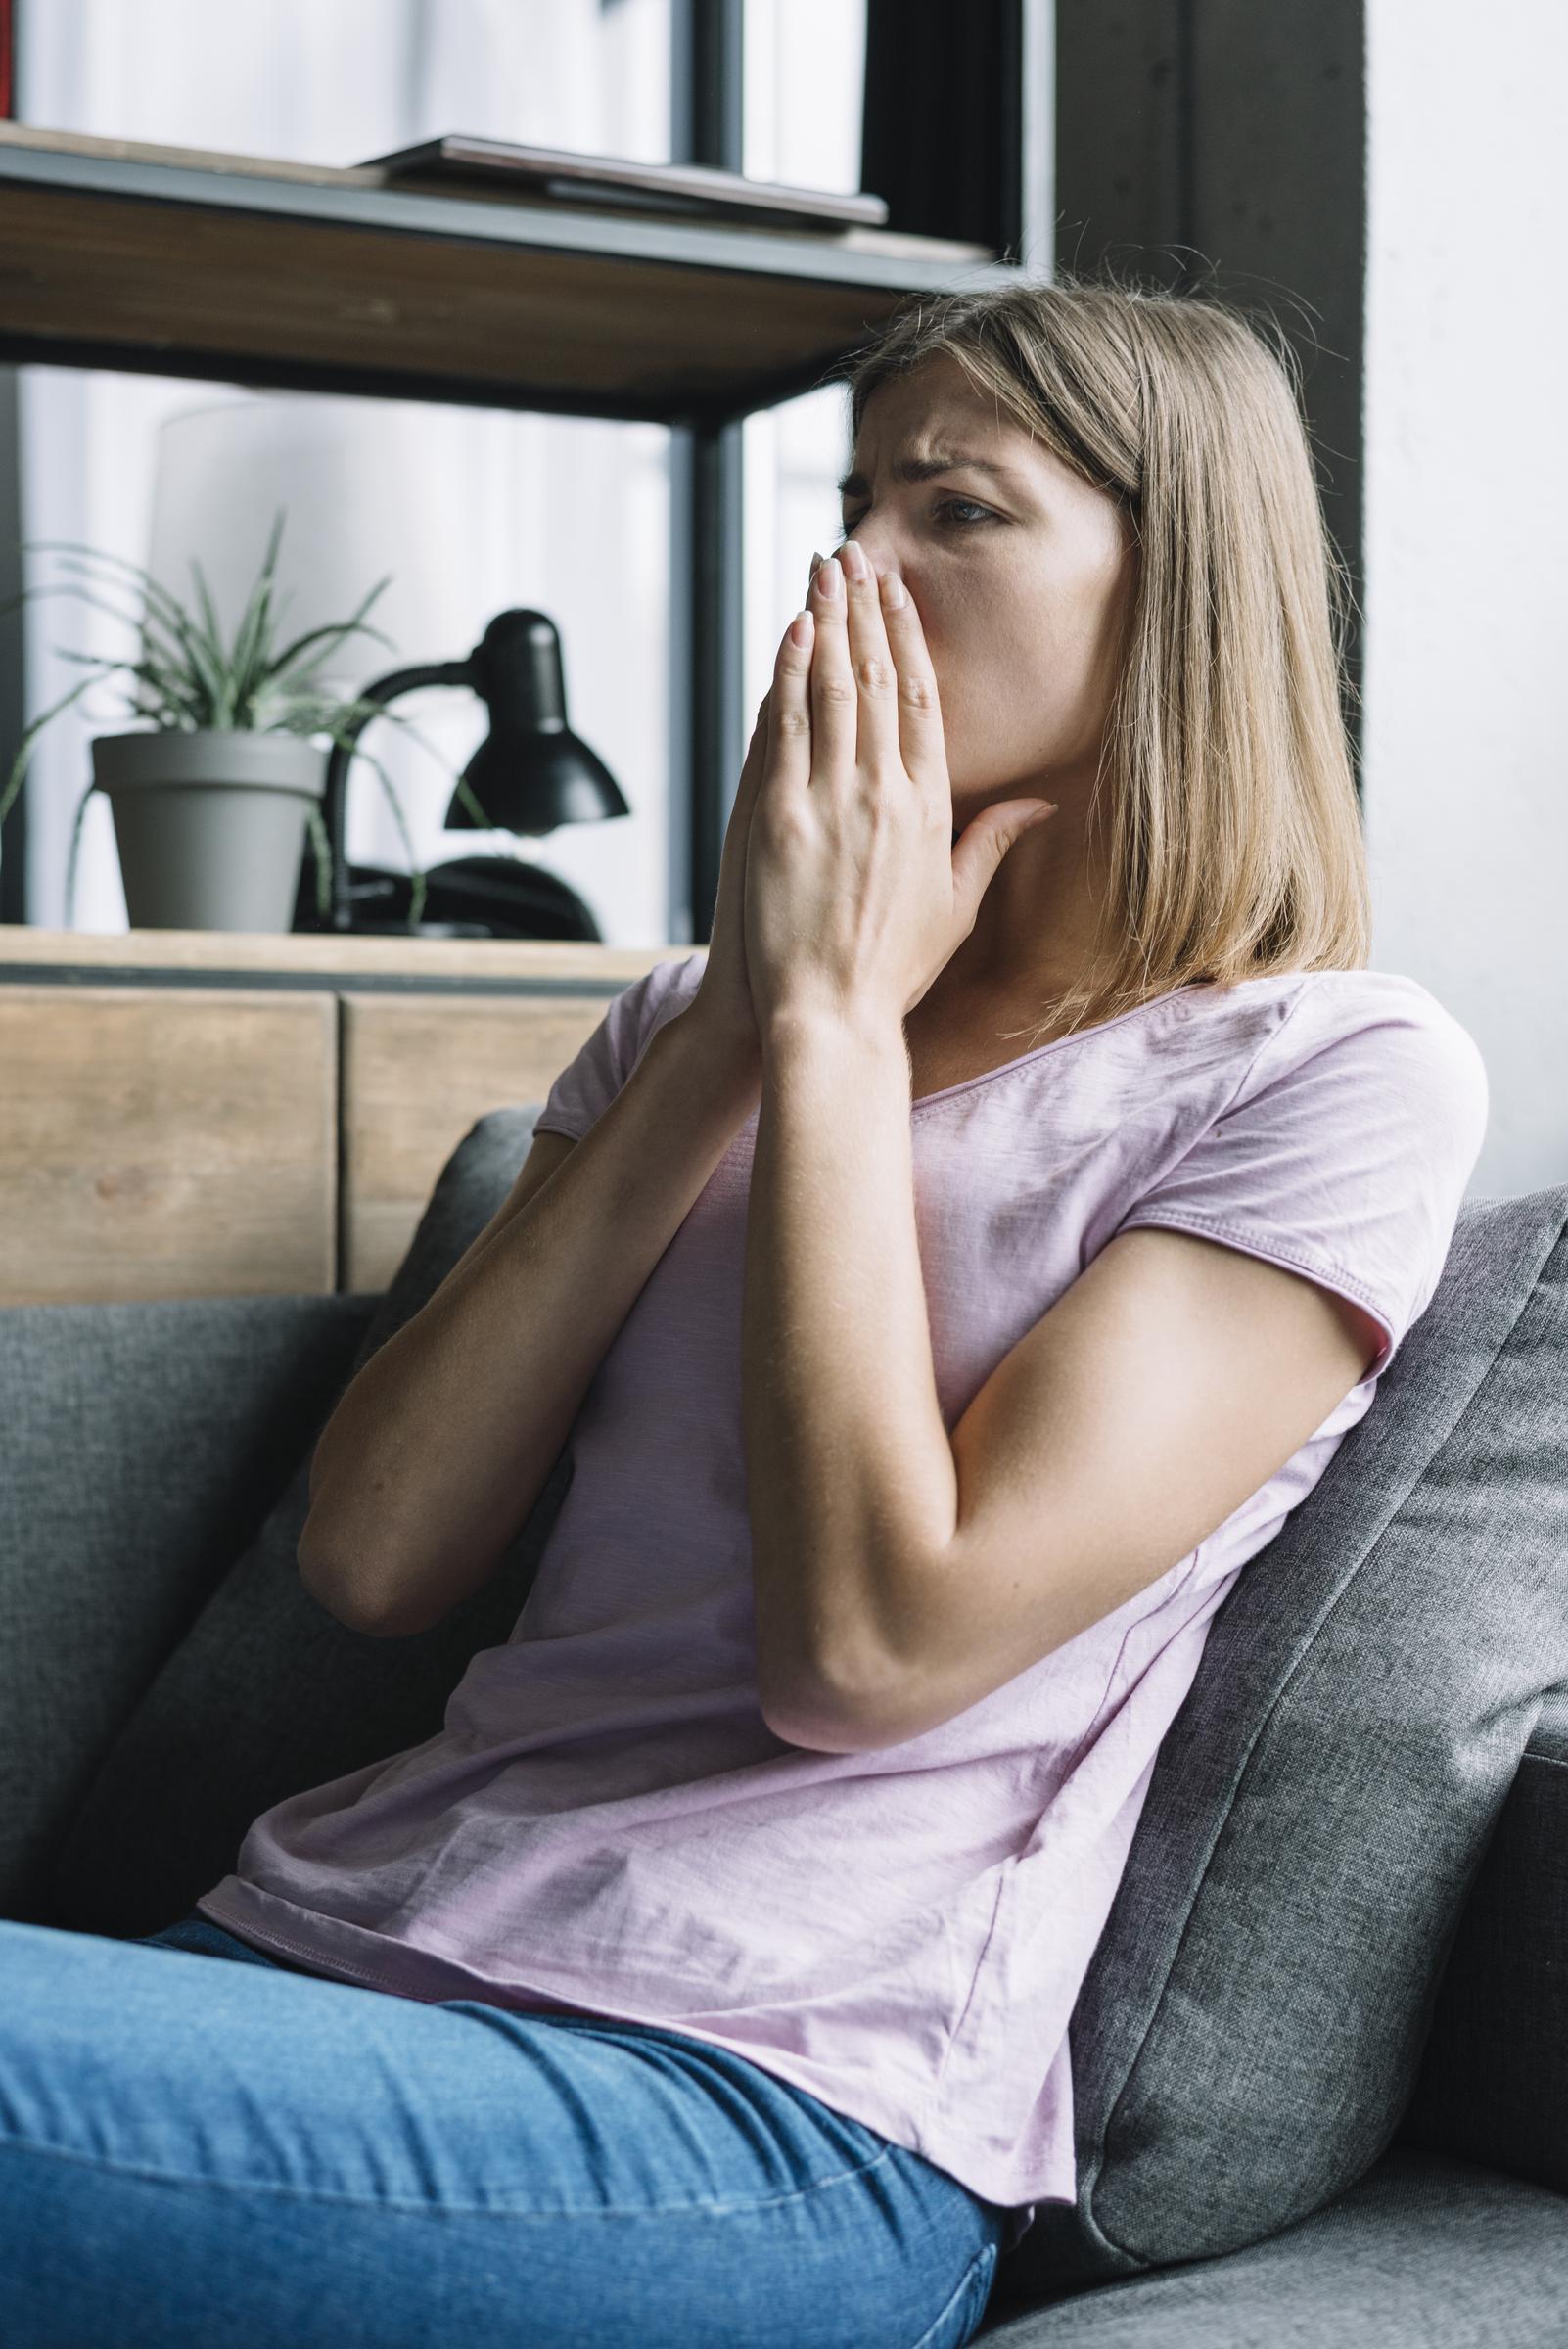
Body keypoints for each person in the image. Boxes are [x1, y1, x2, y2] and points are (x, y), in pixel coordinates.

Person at [0, 271, 1488, 2348]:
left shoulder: (1322, 1075)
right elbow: (375, 1552)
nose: (852, 570)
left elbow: (872, 1652)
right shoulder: (689, 1026)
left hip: (765, 2105)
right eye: (852, 499)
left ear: (1178, 584)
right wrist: (740, 1020)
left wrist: (830, 1035)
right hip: (328, 1955)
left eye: (955, 512)